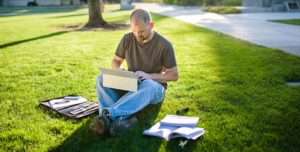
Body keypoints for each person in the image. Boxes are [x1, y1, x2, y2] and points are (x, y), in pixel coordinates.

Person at [89, 9, 179, 136]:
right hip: (132, 83)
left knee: (148, 84)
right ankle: (121, 120)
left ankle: (108, 115)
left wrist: (149, 76)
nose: (137, 34)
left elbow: (174, 75)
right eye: (134, 31)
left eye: (141, 31)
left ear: (151, 25)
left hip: (154, 88)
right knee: (101, 78)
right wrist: (118, 70)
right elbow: (116, 61)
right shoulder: (127, 39)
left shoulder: (164, 45)